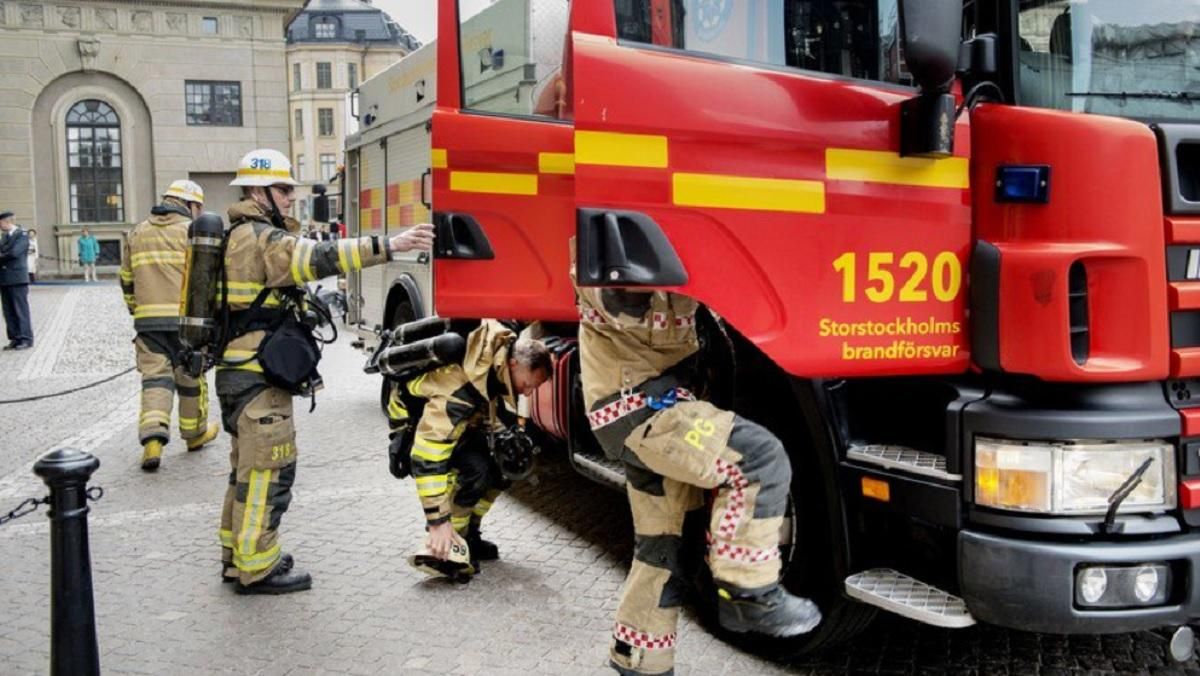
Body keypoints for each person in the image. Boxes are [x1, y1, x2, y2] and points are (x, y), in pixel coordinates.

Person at [571, 245, 821, 676]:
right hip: (640, 407)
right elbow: (625, 304)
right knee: (756, 459)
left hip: (662, 403)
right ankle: (748, 594)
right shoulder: (604, 251)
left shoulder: (674, 241)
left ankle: (638, 659)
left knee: (666, 549)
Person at [216, 148, 434, 595]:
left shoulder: (235, 235)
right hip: (258, 376)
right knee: (267, 474)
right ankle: (257, 566)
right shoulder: (260, 238)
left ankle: (237, 555)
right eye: (282, 189)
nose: (292, 198)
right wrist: (390, 245)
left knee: (245, 469)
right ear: (258, 191)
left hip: (241, 369)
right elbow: (319, 257)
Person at [385, 321, 551, 579]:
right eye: (528, 384)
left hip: (458, 424)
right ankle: (451, 548)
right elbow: (428, 457)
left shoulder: (495, 362)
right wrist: (437, 522)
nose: (528, 393)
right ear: (515, 364)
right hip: (415, 428)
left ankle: (470, 536)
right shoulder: (459, 386)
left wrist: (504, 437)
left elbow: (484, 408)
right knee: (476, 471)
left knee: (501, 469)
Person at [119, 180, 220, 471]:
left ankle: (153, 440)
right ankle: (194, 434)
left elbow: (126, 279)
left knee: (155, 380)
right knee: (190, 378)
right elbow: (206, 282)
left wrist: (135, 310)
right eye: (198, 208)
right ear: (190, 205)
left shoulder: (137, 232)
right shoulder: (191, 232)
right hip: (186, 323)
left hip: (148, 324)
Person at [0, 212, 33, 350]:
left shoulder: (22, 235)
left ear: (7, 222)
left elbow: (14, 253)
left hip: (17, 278)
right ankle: (14, 338)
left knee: (20, 310)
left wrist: (2, 254)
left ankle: (25, 338)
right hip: (4, 278)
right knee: (8, 311)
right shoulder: (4, 237)